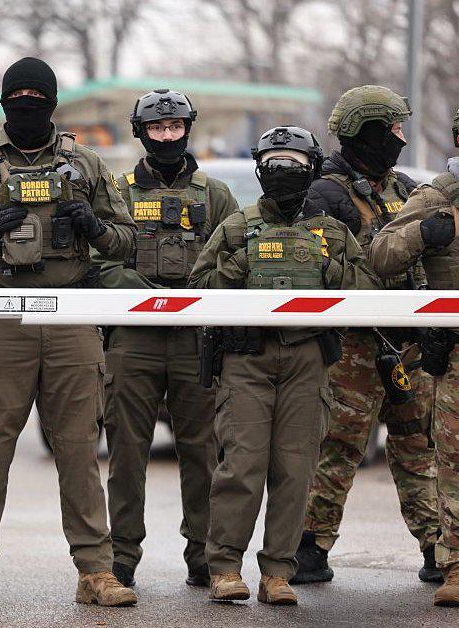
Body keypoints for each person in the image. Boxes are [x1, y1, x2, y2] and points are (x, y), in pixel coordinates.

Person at [0, 57, 138, 608]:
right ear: (3, 104)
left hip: (71, 319)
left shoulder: (85, 163)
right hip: (2, 321)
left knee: (79, 450)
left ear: (53, 104)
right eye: (17, 98)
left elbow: (126, 240)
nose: (27, 107)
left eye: (36, 99)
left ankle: (96, 570)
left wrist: (92, 226)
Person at [188, 126, 380, 605]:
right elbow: (198, 289)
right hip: (246, 359)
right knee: (242, 466)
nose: (281, 171)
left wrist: (325, 268)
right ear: (260, 169)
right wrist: (241, 265)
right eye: (272, 162)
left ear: (311, 169)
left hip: (307, 357)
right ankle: (224, 568)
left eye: (293, 163)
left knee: (295, 469)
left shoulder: (331, 233)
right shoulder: (237, 227)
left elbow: (368, 293)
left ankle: (277, 571)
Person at [294, 85, 438, 585]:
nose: (401, 138)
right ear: (367, 131)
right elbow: (329, 268)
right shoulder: (323, 193)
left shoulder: (403, 188)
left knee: (418, 444)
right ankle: (310, 546)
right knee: (340, 444)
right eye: (393, 129)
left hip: (408, 342)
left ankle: (436, 546)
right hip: (353, 346)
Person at [101, 89, 238, 589]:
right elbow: (98, 262)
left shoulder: (215, 194)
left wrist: (198, 295)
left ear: (187, 129)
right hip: (132, 340)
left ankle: (204, 555)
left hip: (195, 342)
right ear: (141, 133)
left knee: (202, 452)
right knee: (126, 453)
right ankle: (122, 557)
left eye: (175, 127)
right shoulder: (116, 193)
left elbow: (235, 260)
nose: (166, 136)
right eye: (157, 128)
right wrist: (143, 293)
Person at [368, 106, 459, 606]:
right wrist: (423, 234)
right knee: (452, 462)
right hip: (454, 354)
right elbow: (381, 256)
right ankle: (456, 565)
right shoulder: (437, 196)